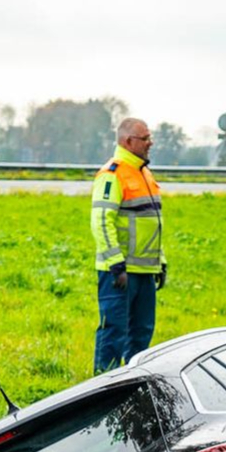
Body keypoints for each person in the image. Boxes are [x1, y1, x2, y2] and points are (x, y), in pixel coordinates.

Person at [90, 117, 166, 372]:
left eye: (149, 137)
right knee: (114, 331)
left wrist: (160, 262)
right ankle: (102, 389)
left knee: (141, 336)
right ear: (128, 141)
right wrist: (115, 264)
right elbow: (101, 221)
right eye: (145, 139)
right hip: (120, 273)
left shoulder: (144, 173)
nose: (150, 143)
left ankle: (133, 388)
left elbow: (152, 222)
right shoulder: (112, 175)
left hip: (145, 272)